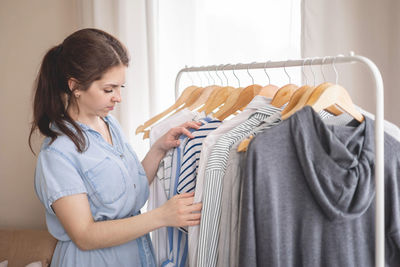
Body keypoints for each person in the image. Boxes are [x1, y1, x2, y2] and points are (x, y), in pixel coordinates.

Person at [28, 28, 202, 267]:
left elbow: (127, 190)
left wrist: (158, 150)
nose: (118, 97)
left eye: (121, 88)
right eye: (109, 90)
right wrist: (161, 216)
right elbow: (85, 236)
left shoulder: (109, 124)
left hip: (136, 255)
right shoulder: (58, 153)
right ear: (75, 86)